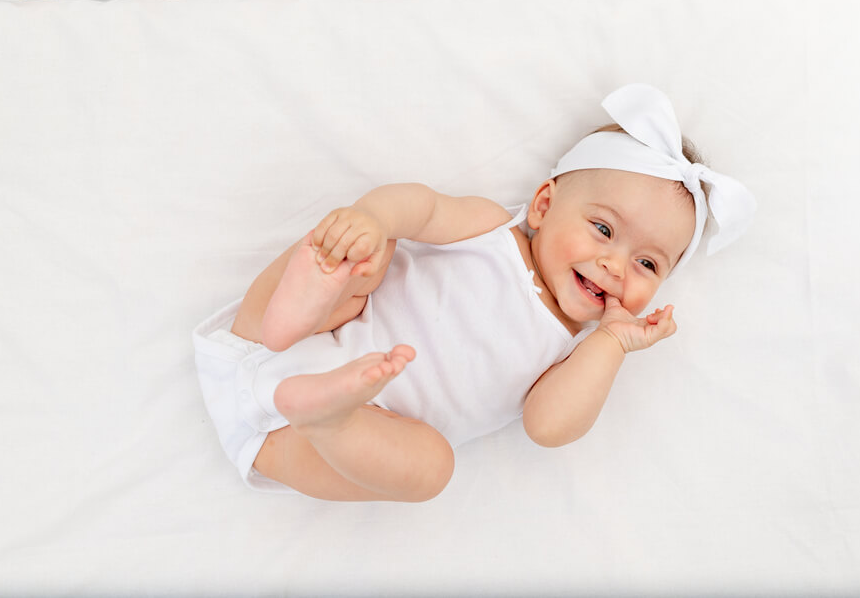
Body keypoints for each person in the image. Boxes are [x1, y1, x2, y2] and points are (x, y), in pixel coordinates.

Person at [192, 83, 757, 502]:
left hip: (316, 437)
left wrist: (611, 344)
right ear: (543, 205)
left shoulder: (574, 354)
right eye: (604, 230)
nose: (614, 266)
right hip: (294, 332)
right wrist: (372, 217)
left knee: (431, 468)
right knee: (373, 256)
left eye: (647, 263)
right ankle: (299, 309)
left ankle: (329, 415)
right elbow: (424, 207)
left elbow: (549, 427)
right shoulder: (489, 229)